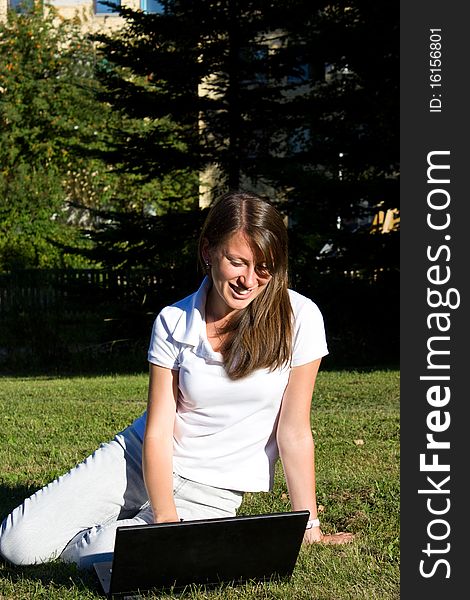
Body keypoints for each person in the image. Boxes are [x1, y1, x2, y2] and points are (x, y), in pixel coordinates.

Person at [0, 190, 351, 571]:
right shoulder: (172, 320)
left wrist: (309, 525)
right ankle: (126, 521)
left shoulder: (300, 318)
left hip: (210, 492)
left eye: (263, 267)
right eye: (237, 262)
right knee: (17, 544)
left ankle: (107, 532)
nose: (249, 280)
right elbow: (157, 429)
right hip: (136, 458)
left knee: (101, 555)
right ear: (208, 252)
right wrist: (164, 517)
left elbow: (294, 432)